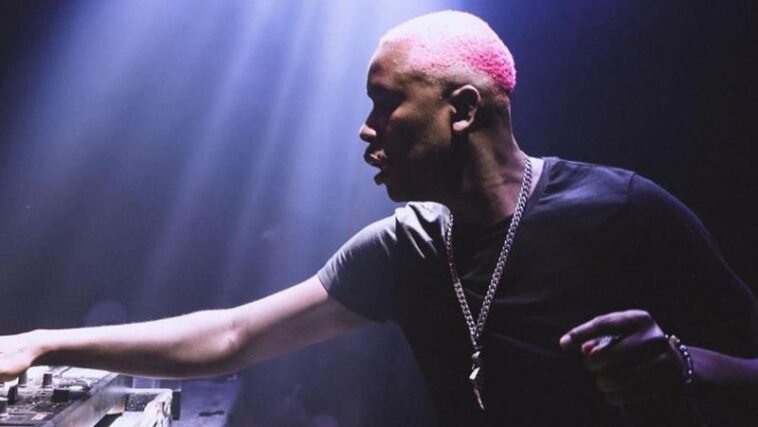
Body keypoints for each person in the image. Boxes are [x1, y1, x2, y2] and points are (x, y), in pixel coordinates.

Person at [1, 10, 757, 426]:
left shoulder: (620, 209)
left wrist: (684, 365)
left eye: (385, 103)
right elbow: (232, 336)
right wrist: (42, 342)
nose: (366, 130)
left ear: (463, 109)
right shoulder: (408, 246)